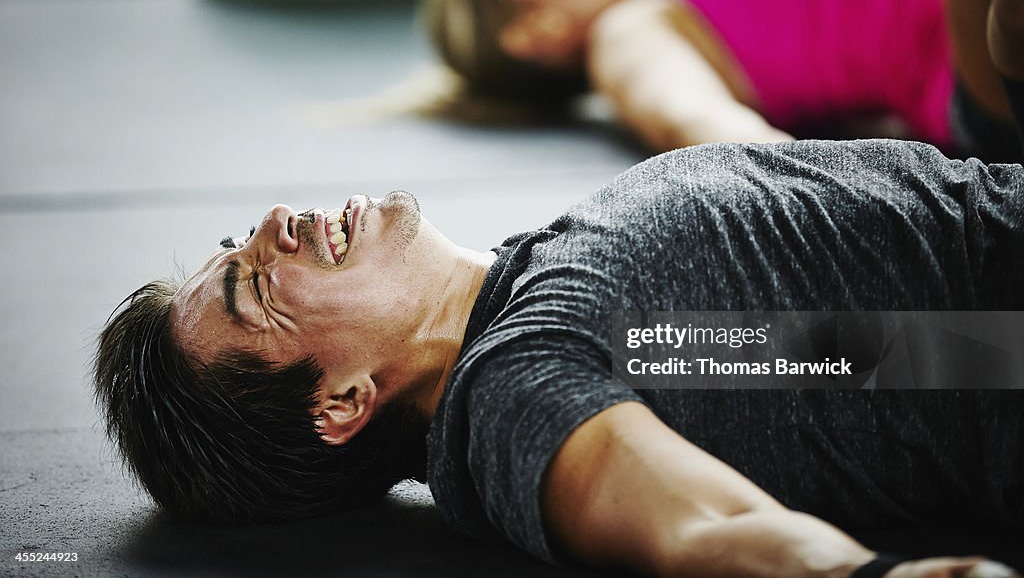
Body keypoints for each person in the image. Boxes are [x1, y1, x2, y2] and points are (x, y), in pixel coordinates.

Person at [96, 137, 1024, 578]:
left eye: (240, 240)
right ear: (341, 401)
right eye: (256, 285)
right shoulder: (515, 377)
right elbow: (697, 527)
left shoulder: (539, 272)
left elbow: (871, 354)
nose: (274, 226)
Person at [420, 0, 1024, 161]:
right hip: (988, 56)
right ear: (537, 31)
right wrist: (852, 209)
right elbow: (696, 120)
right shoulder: (629, 34)